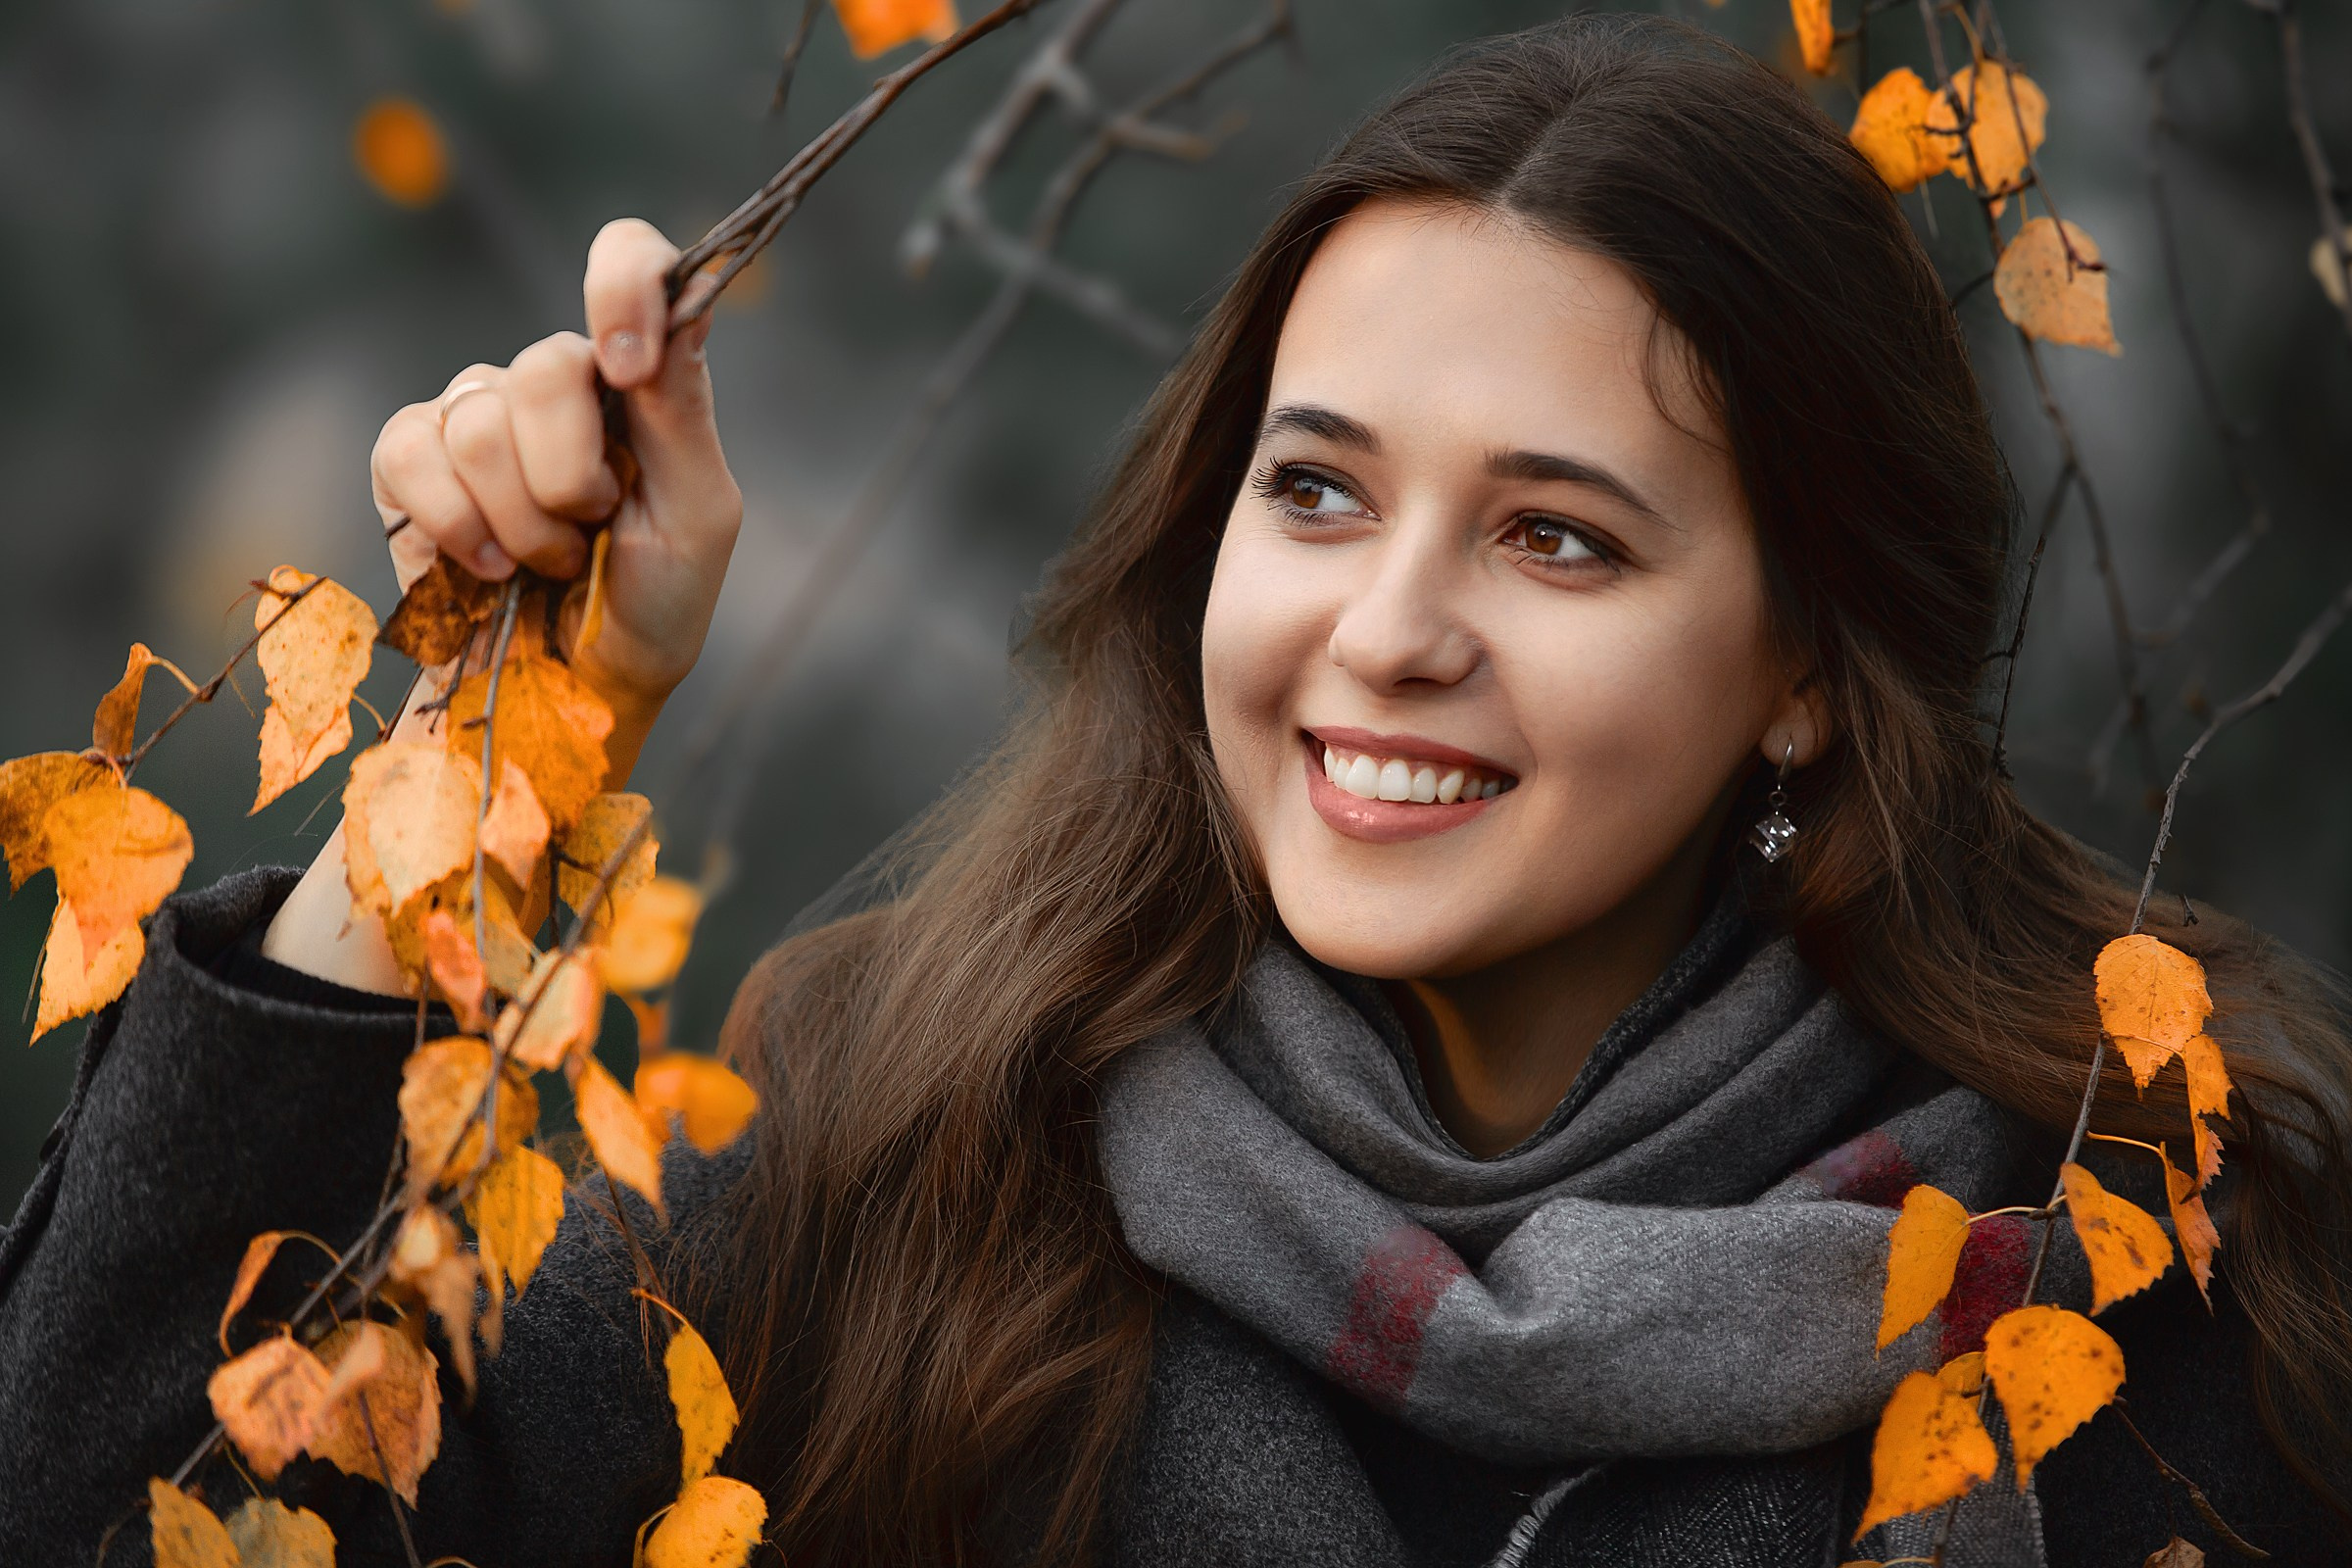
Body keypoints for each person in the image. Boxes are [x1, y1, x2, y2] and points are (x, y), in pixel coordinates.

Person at [3, 16, 2347, 1568]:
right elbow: (118, 1508)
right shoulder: (877, 1195)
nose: (1387, 625)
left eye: (1558, 536)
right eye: (1317, 493)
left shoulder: (2185, 1308)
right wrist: (508, 735)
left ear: (1809, 677)